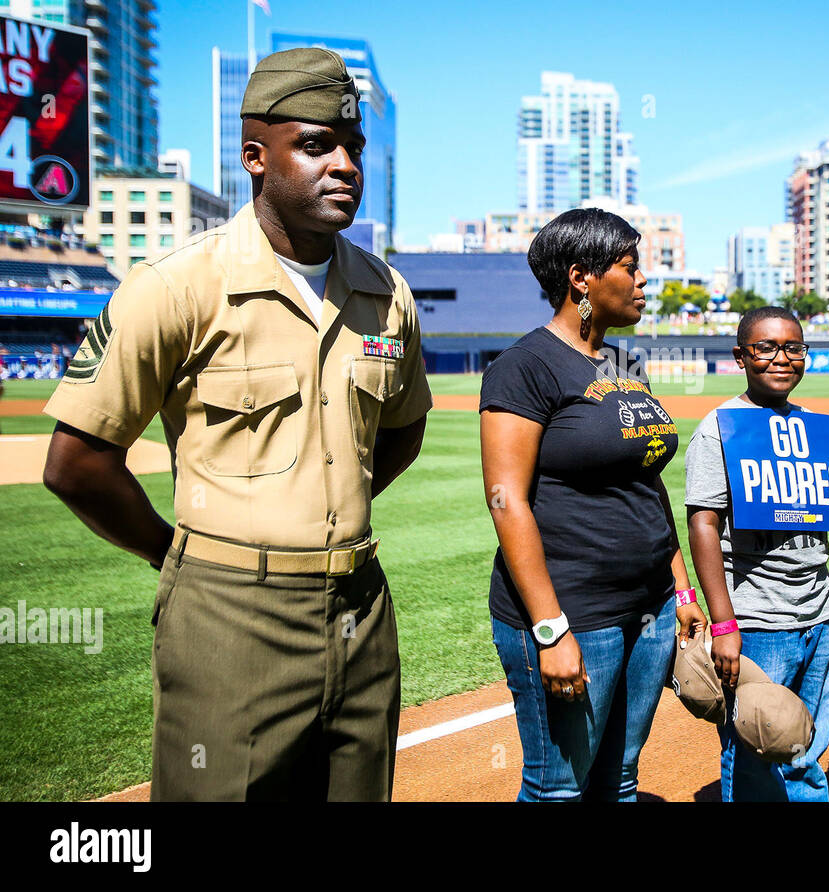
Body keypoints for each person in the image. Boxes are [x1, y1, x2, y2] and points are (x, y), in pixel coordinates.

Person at [42, 48, 432, 800]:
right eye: (316, 146)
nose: (345, 164)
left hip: (360, 608)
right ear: (256, 156)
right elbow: (77, 462)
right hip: (227, 615)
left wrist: (326, 507)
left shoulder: (386, 292)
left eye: (351, 146)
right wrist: (176, 557)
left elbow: (404, 426)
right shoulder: (177, 286)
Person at [479, 207, 707, 802]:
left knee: (620, 778)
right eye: (630, 268)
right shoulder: (523, 367)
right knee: (560, 787)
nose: (643, 282)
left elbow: (648, 484)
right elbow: (506, 501)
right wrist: (552, 631)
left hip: (651, 609)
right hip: (577, 614)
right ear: (582, 278)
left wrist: (680, 589)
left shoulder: (627, 365)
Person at [685, 306, 829, 802]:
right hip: (756, 621)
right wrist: (723, 623)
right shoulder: (719, 428)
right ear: (741, 356)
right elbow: (702, 524)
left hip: (814, 612)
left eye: (794, 348)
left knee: (805, 742)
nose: (781, 359)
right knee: (753, 747)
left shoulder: (818, 431)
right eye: (766, 348)